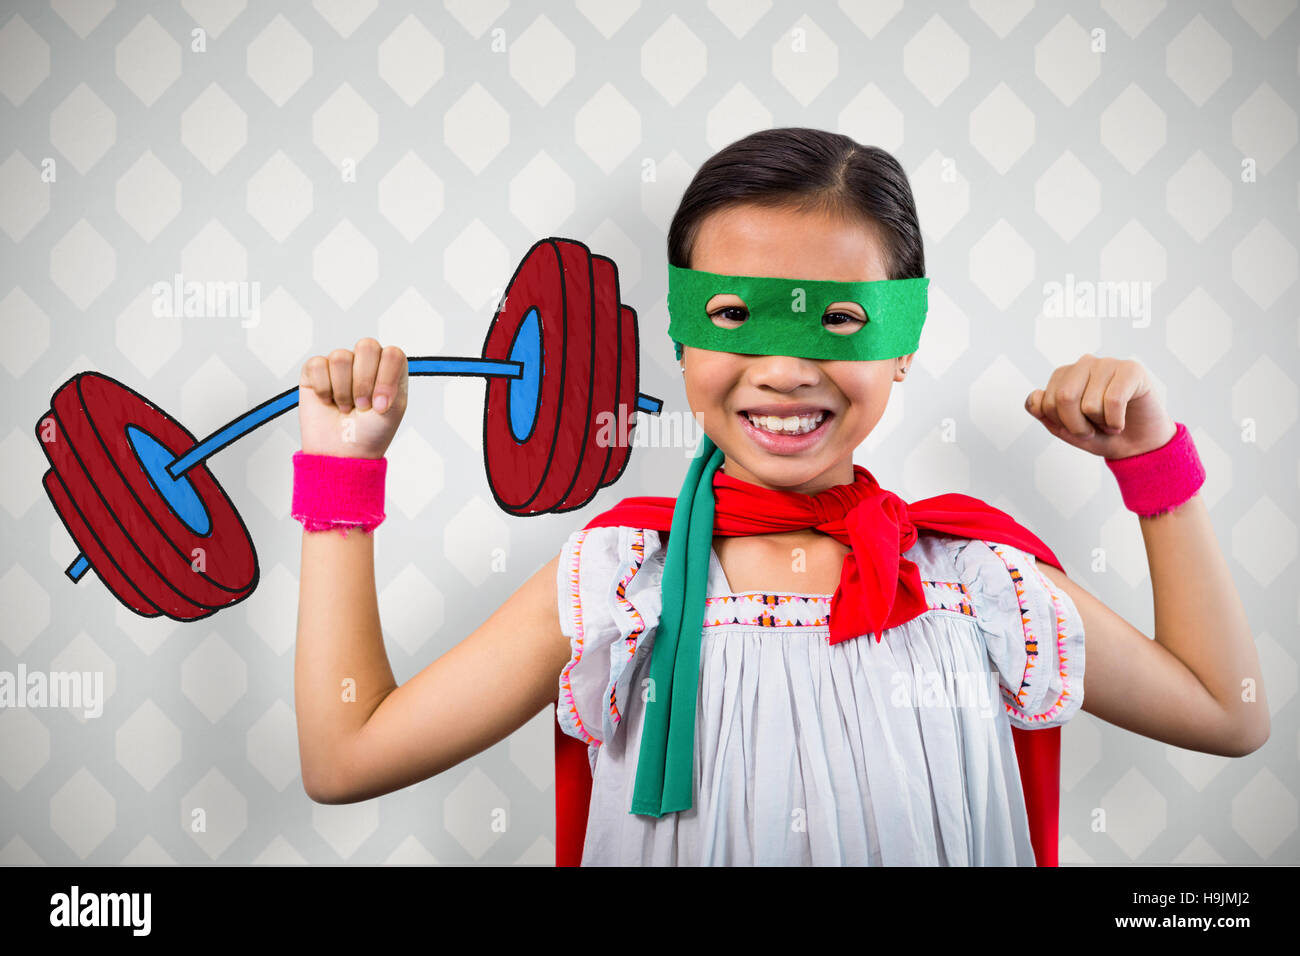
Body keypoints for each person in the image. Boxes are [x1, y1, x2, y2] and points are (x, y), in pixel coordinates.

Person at [291, 128, 1269, 866]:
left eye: (840, 321)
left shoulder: (976, 579)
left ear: (903, 344)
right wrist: (344, 473)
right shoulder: (617, 581)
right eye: (734, 316)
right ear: (677, 337)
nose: (786, 366)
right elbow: (348, 756)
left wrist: (1152, 466)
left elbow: (1228, 713)